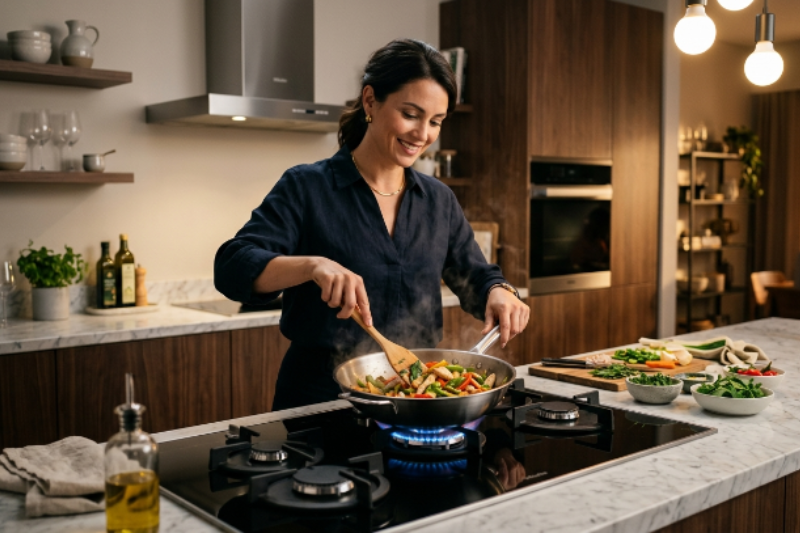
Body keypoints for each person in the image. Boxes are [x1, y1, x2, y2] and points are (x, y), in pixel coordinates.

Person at [214, 39, 530, 410]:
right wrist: (312, 266)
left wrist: (499, 291)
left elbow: (476, 275)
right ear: (370, 101)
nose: (422, 134)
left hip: (418, 397)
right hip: (321, 401)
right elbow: (232, 266)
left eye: (436, 122)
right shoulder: (307, 186)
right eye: (411, 114)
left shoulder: (438, 200)